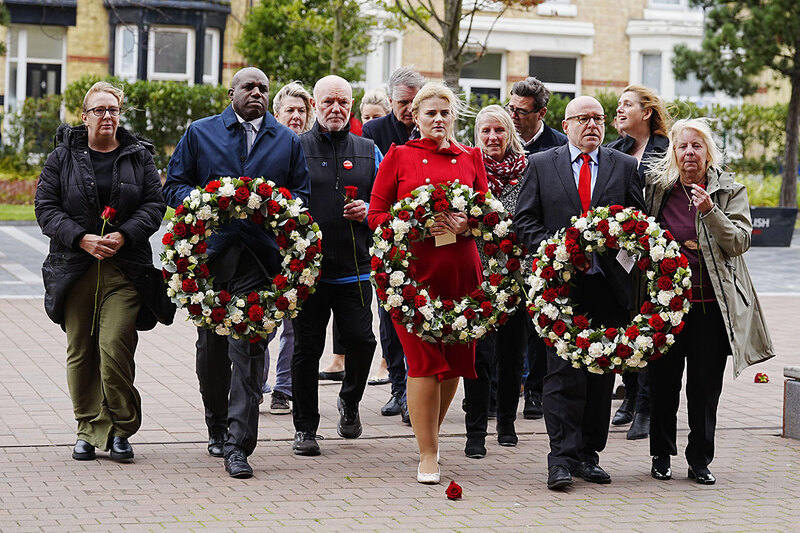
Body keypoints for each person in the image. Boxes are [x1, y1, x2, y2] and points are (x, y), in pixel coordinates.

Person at [164, 67, 310, 478]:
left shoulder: (285, 140)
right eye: (249, 87)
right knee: (211, 352)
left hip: (259, 261)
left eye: (264, 88)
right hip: (210, 260)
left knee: (248, 352)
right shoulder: (201, 132)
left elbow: (300, 195)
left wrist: (272, 205)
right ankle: (216, 425)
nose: (257, 93)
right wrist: (206, 201)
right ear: (232, 92)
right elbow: (173, 185)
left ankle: (238, 445)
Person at [35, 81, 174, 462]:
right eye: (99, 110)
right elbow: (45, 208)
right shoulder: (61, 157)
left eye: (112, 109)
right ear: (84, 116)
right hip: (75, 269)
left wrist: (124, 235)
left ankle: (120, 427)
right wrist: (80, 238)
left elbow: (154, 204)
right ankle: (88, 427)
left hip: (125, 270)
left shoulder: (138, 155)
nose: (107, 116)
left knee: (114, 349)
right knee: (81, 350)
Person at [514, 95, 645, 490]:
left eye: (599, 119)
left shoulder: (623, 167)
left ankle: (589, 455)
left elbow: (639, 224)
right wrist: (557, 252)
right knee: (560, 372)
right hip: (560, 287)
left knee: (600, 372)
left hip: (608, 286)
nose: (592, 125)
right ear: (566, 124)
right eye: (584, 119)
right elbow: (524, 221)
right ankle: (561, 458)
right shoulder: (541, 164)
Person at [368, 82, 489, 484]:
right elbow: (375, 214)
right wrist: (411, 223)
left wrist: (467, 223)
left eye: (445, 113)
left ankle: (430, 436)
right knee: (422, 362)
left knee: (453, 361)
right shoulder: (398, 156)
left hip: (461, 272)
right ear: (415, 117)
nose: (438, 119)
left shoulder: (471, 157)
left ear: (454, 116)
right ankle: (428, 454)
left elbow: (485, 216)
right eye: (430, 113)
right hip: (411, 276)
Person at [645, 118, 775, 484]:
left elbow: (739, 242)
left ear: (708, 152)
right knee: (663, 383)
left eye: (697, 146)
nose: (689, 153)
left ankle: (700, 459)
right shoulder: (658, 189)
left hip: (710, 305)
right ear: (673, 151)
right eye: (683, 146)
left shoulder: (729, 190)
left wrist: (710, 211)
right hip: (667, 307)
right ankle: (661, 455)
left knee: (704, 387)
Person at [291, 75, 380, 457]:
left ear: (351, 104)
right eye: (328, 102)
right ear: (315, 103)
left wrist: (367, 213)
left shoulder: (368, 148)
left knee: (362, 341)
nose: (335, 109)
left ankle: (350, 401)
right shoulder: (295, 147)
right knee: (306, 351)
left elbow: (385, 203)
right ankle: (305, 428)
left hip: (356, 268)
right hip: (309, 271)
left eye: (342, 102)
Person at [462, 105, 529, 459]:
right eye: (486, 131)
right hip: (479, 276)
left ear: (510, 134)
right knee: (479, 355)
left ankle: (506, 422)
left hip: (517, 275)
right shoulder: (467, 167)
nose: (492, 138)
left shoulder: (528, 169)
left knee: (512, 355)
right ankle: (475, 432)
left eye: (499, 131)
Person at [606, 84, 671, 440]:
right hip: (620, 255)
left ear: (646, 113)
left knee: (647, 327)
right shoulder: (616, 150)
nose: (619, 110)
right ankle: (629, 396)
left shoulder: (666, 151)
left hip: (655, 255)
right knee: (624, 322)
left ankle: (645, 407)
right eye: (618, 105)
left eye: (627, 105)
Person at [363, 66, 427, 423]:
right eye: (403, 102)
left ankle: (422, 384)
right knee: (389, 316)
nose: (409, 109)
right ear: (391, 101)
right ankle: (398, 387)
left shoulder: (433, 127)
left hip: (429, 241)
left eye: (414, 102)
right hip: (387, 240)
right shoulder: (373, 132)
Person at [506, 77, 568, 421]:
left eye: (521, 111)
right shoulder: (501, 138)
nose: (513, 116)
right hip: (506, 247)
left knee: (538, 323)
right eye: (510, 108)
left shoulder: (557, 146)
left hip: (544, 246)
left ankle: (534, 391)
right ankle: (502, 390)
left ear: (541, 113)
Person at [257, 81, 315, 416]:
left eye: (301, 111)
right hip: (266, 248)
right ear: (276, 114)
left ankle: (284, 389)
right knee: (264, 319)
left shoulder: (312, 147)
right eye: (289, 110)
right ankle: (256, 383)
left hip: (301, 249)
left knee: (295, 325)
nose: (296, 116)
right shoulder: (265, 147)